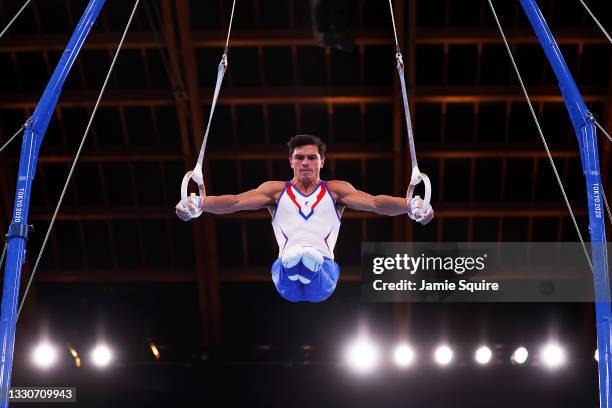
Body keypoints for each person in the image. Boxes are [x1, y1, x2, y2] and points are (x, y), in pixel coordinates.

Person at [175, 135, 434, 303]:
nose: (306, 162)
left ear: (322, 161)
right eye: (299, 158)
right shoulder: (275, 191)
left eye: (312, 157)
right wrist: (198, 203)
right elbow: (234, 202)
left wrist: (411, 206)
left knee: (311, 264)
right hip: (284, 273)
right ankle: (297, 262)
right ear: (291, 162)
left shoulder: (336, 190)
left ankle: (303, 262)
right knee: (292, 263)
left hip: (325, 268)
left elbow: (376, 203)